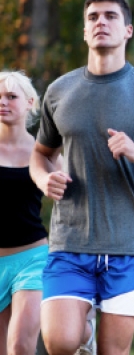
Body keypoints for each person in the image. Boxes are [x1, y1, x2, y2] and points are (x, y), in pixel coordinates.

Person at [29, 0, 134, 355]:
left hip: (131, 244)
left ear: (128, 30)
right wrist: (45, 179)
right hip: (71, 240)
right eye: (92, 18)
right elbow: (40, 155)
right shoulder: (59, 91)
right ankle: (80, 333)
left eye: (110, 16)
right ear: (85, 32)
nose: (100, 22)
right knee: (59, 342)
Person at [0, 71, 52, 355]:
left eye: (11, 96)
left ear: (30, 102)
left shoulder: (41, 152)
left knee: (20, 345)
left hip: (31, 258)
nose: (3, 103)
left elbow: (69, 191)